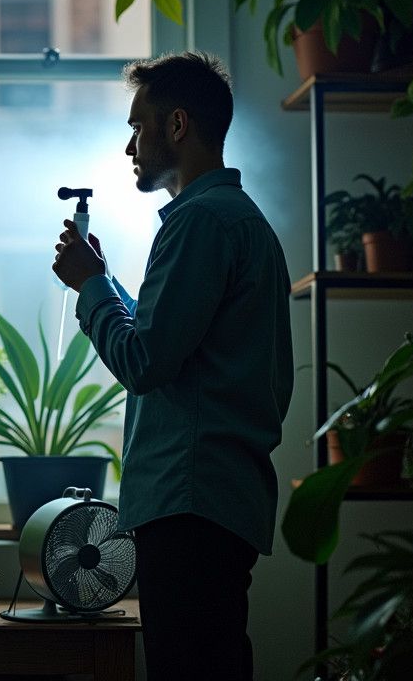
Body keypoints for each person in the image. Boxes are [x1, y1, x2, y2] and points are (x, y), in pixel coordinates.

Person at [51, 52, 294, 681]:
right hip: (218, 500)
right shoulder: (238, 222)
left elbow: (145, 361)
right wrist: (102, 282)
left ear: (178, 125)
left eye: (138, 126)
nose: (130, 144)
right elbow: (181, 349)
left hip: (189, 505)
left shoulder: (199, 223)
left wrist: (89, 290)